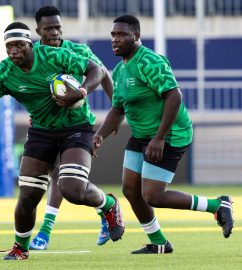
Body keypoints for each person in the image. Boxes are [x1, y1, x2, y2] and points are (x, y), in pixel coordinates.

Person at [0, 21, 125, 261]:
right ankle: (20, 248)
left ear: (31, 43)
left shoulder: (53, 55)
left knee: (72, 188)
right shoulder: (3, 72)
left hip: (76, 126)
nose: (14, 51)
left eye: (19, 45)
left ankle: (109, 204)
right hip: (41, 132)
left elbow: (97, 71)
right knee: (27, 195)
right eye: (9, 47)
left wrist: (80, 92)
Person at [93, 15, 234, 254]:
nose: (115, 39)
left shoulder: (150, 61)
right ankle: (158, 242)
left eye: (122, 35)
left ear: (136, 36)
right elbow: (117, 110)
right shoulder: (118, 71)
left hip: (170, 134)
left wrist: (159, 138)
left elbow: (174, 96)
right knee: (130, 190)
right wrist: (99, 136)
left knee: (153, 195)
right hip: (141, 135)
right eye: (113, 35)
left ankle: (217, 205)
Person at [29, 5, 114, 250]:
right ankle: (103, 211)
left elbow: (103, 73)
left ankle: (45, 232)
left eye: (58, 27)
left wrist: (118, 108)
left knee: (66, 180)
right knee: (51, 176)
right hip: (45, 127)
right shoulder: (33, 54)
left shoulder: (77, 50)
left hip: (76, 126)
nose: (55, 32)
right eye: (49, 28)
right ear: (38, 30)